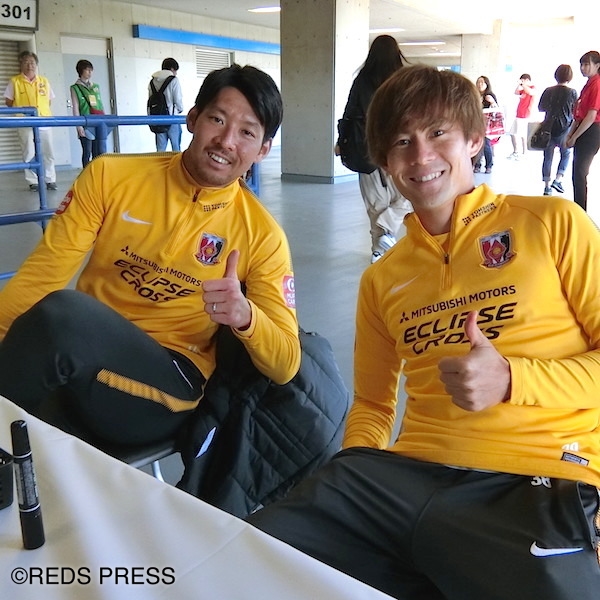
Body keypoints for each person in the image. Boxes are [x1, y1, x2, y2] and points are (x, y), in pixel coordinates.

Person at [247, 65, 600, 600]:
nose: (420, 156)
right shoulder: (383, 278)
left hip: (540, 479)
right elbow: (373, 404)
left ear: (474, 140)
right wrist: (355, 468)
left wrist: (512, 379)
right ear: (385, 163)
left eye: (438, 133)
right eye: (401, 142)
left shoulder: (552, 224)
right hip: (406, 480)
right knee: (252, 558)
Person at [0, 64, 301, 447]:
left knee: (62, 317)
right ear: (192, 119)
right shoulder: (110, 177)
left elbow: (286, 363)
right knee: (47, 352)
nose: (226, 141)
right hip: (85, 353)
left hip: (169, 384)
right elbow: (42, 275)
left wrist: (246, 317)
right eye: (217, 119)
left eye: (247, 132)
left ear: (262, 150)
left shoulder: (263, 236)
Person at [337, 35, 412, 263]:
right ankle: (383, 242)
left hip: (366, 146)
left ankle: (379, 248)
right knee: (407, 194)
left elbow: (349, 112)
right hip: (399, 147)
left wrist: (342, 141)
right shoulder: (404, 79)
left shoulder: (362, 79)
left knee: (375, 202)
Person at [3, 50, 57, 191]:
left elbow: (49, 100)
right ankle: (33, 182)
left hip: (44, 121)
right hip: (24, 121)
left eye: (32, 62)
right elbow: (8, 102)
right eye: (26, 62)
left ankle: (50, 179)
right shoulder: (15, 81)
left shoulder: (44, 81)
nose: (29, 65)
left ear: (36, 64)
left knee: (48, 152)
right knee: (28, 152)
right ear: (21, 64)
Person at [566, 50, 600, 211]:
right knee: (577, 172)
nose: (583, 68)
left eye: (587, 64)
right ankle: (578, 208)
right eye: (581, 64)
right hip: (583, 128)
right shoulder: (588, 85)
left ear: (597, 65)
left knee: (580, 172)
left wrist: (574, 136)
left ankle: (581, 210)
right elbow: (579, 114)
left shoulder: (597, 84)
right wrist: (570, 133)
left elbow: (591, 115)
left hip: (592, 131)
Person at [537, 64, 578, 196]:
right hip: (565, 128)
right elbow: (576, 111)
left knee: (548, 157)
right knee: (565, 154)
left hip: (548, 128)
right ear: (570, 76)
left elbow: (541, 107)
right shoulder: (572, 92)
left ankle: (547, 186)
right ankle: (558, 179)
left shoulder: (548, 91)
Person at [70, 59, 107, 167]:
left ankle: (96, 172)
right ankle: (86, 173)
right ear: (81, 71)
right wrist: (78, 126)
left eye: (91, 70)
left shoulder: (95, 87)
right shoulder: (75, 88)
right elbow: (75, 107)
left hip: (97, 121)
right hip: (85, 122)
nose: (90, 72)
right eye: (87, 70)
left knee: (98, 151)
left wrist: (105, 120)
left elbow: (100, 104)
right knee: (87, 150)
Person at [149, 57, 184, 152]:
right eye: (175, 70)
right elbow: (178, 99)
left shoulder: (152, 81)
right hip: (172, 118)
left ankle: (159, 162)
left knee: (160, 149)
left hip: (158, 119)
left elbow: (150, 100)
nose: (176, 73)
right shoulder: (174, 80)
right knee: (176, 148)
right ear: (172, 69)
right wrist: (180, 109)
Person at [474, 75, 498, 174]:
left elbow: (496, 110)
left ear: (486, 84)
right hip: (475, 123)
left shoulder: (490, 96)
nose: (480, 84)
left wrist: (492, 102)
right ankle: (477, 165)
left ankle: (489, 165)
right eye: (478, 82)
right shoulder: (474, 95)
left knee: (486, 144)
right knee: (477, 144)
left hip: (487, 125)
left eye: (482, 82)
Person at [507, 73, 535, 160]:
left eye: (523, 80)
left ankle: (524, 153)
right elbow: (516, 92)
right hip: (518, 114)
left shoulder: (532, 88)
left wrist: (523, 84)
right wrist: (519, 85)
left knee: (523, 135)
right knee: (513, 133)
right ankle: (515, 151)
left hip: (525, 115)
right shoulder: (523, 89)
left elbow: (530, 92)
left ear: (527, 80)